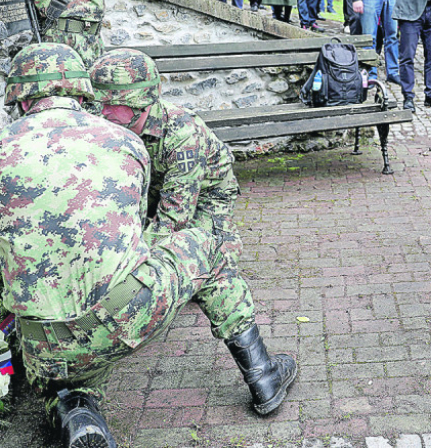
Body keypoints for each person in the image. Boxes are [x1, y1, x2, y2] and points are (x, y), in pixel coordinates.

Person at [0, 44, 206, 448]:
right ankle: (262, 372)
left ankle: (75, 410)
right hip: (132, 314)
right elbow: (139, 231)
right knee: (211, 244)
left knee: (57, 365)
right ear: (83, 93)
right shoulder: (127, 143)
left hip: (46, 339)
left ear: (20, 97)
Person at [90, 48, 298, 417]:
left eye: (109, 103)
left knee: (207, 262)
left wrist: (134, 272)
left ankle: (262, 376)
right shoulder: (111, 128)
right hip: (151, 199)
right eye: (98, 101)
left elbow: (174, 219)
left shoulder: (182, 133)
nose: (101, 111)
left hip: (205, 199)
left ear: (138, 102)